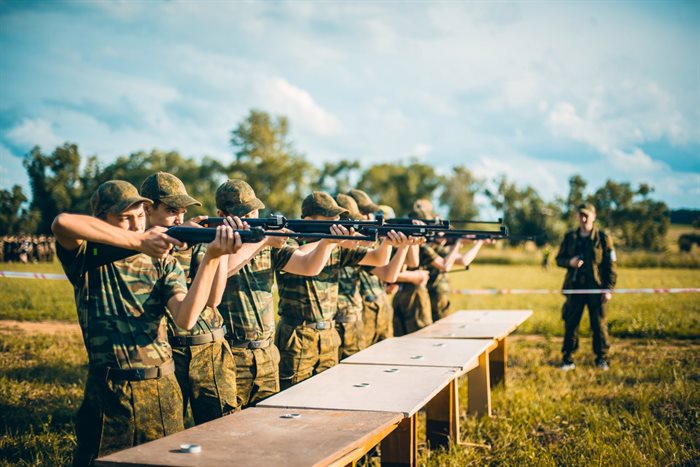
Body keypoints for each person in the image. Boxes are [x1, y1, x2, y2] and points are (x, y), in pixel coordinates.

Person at [51, 180, 241, 465]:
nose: (135, 224)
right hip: (109, 392)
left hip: (162, 389)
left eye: (139, 216)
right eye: (124, 218)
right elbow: (62, 222)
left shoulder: (164, 261)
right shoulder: (87, 257)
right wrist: (139, 241)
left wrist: (212, 258)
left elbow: (186, 317)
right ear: (101, 220)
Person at [214, 180, 350, 407]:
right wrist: (264, 240)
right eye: (243, 213)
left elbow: (307, 266)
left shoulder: (265, 244)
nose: (252, 217)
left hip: (266, 353)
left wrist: (327, 243)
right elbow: (225, 267)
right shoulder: (215, 243)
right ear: (220, 214)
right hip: (231, 353)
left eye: (254, 211)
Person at [140, 172, 240, 425]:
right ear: (147, 209)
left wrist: (219, 251)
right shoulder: (133, 249)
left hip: (205, 346)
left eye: (183, 211)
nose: (180, 219)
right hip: (165, 354)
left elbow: (214, 299)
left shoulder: (193, 242)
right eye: (172, 210)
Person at [276, 192, 402, 388]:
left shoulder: (335, 247)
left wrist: (389, 243)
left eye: (336, 219)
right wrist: (327, 241)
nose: (336, 223)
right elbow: (304, 260)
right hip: (297, 336)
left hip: (328, 334)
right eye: (329, 220)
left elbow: (379, 260)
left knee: (330, 394)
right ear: (309, 220)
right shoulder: (290, 242)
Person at [556, 203, 617, 371]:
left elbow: (611, 266)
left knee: (598, 325)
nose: (583, 219)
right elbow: (558, 259)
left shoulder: (603, 238)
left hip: (596, 289)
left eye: (586, 215)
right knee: (571, 324)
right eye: (580, 215)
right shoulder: (570, 237)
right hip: (575, 288)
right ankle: (568, 359)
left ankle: (601, 358)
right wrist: (570, 262)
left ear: (593, 216)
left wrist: (608, 289)